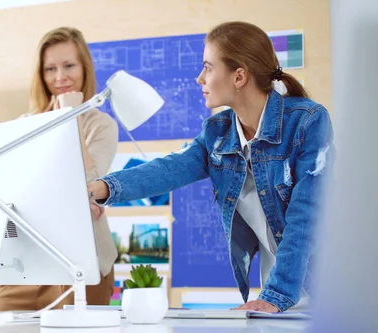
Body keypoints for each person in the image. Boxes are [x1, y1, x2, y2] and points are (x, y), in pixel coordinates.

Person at [87, 21, 334, 313]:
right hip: (275, 296)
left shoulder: (308, 122)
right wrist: (102, 187)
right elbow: (169, 169)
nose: (199, 78)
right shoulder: (218, 133)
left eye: (208, 67)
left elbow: (305, 218)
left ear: (239, 76)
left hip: (327, 290)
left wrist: (276, 296)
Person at [0, 27, 119, 311]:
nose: (60, 77)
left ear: (84, 68)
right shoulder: (25, 124)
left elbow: (92, 189)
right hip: (23, 264)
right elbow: (11, 191)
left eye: (69, 65)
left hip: (83, 266)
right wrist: (70, 199)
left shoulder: (100, 126)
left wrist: (70, 118)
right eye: (50, 68)